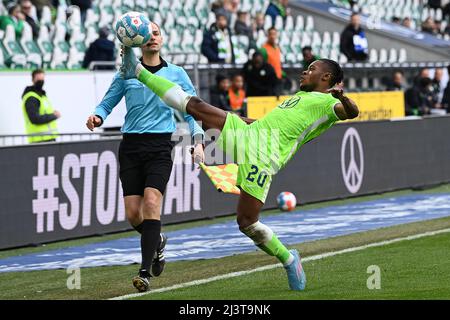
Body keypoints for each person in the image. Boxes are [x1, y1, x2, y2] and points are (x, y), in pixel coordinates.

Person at [120, 47, 359, 291]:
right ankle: (138, 71)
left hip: (263, 158)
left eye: (311, 69)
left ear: (326, 78)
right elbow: (268, 124)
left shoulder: (329, 103)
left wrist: (342, 98)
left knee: (247, 222)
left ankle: (288, 259)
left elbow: (352, 112)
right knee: (196, 106)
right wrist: (236, 119)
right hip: (248, 134)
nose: (304, 72)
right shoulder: (299, 98)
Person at [85, 22, 205, 293]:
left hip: (160, 146)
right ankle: (158, 241)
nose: (152, 37)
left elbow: (192, 110)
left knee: (152, 202)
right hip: (131, 147)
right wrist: (97, 117)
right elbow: (107, 102)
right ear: (137, 40)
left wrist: (197, 141)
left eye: (156, 33)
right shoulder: (127, 72)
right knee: (132, 214)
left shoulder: (176, 73)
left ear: (161, 40)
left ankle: (143, 272)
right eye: (147, 34)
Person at [21, 69, 60, 143]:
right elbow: (35, 119)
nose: (41, 82)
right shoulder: (31, 98)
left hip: (48, 139)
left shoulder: (42, 96)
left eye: (42, 79)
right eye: (38, 80)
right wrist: (53, 116)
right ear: (33, 80)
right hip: (39, 140)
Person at [260, 27, 284, 95]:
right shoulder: (263, 49)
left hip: (278, 78)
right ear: (267, 35)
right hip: (269, 80)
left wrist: (282, 74)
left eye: (274, 34)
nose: (272, 36)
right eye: (270, 34)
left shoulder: (277, 47)